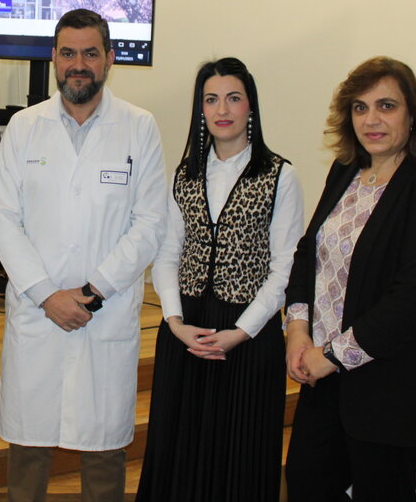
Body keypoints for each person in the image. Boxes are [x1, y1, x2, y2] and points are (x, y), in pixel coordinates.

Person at [0, 8, 168, 502]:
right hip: (37, 312)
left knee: (103, 450)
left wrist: (92, 292)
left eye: (90, 53)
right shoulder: (24, 127)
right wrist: (47, 295)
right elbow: (3, 220)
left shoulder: (139, 127)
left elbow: (150, 223)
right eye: (68, 53)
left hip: (103, 313)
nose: (78, 64)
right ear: (54, 58)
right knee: (28, 449)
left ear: (109, 59)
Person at [283, 57, 416, 502]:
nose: (371, 119)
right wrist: (297, 328)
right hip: (323, 374)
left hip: (389, 384)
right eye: (360, 108)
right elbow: (309, 252)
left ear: (412, 114)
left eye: (386, 105)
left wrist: (334, 355)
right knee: (306, 483)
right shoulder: (345, 170)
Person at [136, 57, 304, 501]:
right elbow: (167, 255)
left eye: (233, 98)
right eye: (211, 100)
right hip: (186, 330)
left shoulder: (280, 176)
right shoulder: (185, 173)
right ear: (201, 109)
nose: (222, 109)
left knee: (240, 456)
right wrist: (174, 322)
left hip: (249, 336)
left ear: (251, 107)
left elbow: (284, 269)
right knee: (180, 451)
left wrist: (240, 333)